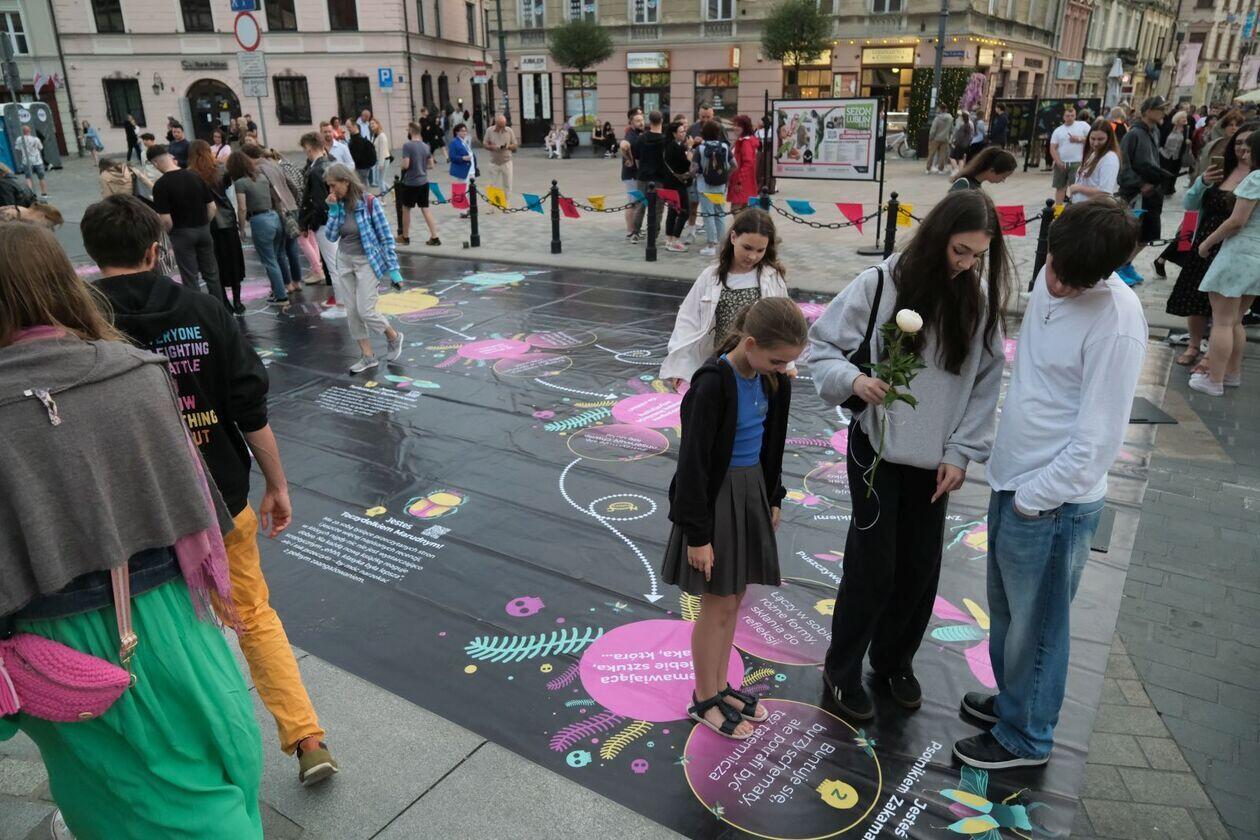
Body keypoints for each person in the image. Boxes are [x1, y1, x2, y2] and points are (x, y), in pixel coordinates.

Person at [0, 221, 264, 838]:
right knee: (224, 754)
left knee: (108, 787)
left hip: (50, 642)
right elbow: (191, 501)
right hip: (169, 612)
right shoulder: (136, 371)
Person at [83, 194, 339, 788]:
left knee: (162, 632)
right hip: (219, 499)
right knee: (252, 614)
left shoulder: (79, 324)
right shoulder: (203, 309)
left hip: (133, 511)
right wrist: (277, 484)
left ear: (94, 256)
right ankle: (306, 737)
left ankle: (191, 757)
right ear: (156, 250)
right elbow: (250, 407)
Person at [954, 197, 1146, 770]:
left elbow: (1098, 441)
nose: (1056, 285)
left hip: (1052, 502)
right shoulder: (1054, 265)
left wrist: (1035, 500)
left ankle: (1027, 736)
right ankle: (1015, 703)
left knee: (1038, 628)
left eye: (1073, 282)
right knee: (1009, 615)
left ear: (1105, 274)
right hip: (1013, 478)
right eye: (1055, 269)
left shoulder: (1117, 322)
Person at [808, 189, 1009, 720]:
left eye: (977, 255)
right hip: (877, 446)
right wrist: (854, 380)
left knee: (920, 568)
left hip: (936, 461)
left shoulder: (977, 301)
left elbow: (986, 383)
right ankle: (842, 668)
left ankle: (894, 661)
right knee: (873, 564)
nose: (965, 264)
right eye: (959, 250)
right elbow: (822, 347)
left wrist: (962, 452)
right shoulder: (880, 282)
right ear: (938, 236)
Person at [662, 297, 808, 740]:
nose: (784, 368)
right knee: (717, 602)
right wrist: (698, 535)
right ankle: (704, 697)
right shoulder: (712, 384)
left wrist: (773, 496)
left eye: (788, 361)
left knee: (735, 597)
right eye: (777, 359)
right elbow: (693, 464)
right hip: (715, 501)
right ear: (750, 344)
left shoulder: (773, 381)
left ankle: (721, 686)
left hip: (750, 493)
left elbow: (773, 444)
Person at [661, 208, 790, 387]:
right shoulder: (710, 276)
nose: (752, 256)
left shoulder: (772, 278)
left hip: (759, 368)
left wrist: (787, 364)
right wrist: (681, 367)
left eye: (760, 250)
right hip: (720, 364)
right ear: (733, 237)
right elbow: (688, 320)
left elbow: (784, 324)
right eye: (747, 247)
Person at [1166, 122, 1254, 368]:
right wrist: (1202, 182)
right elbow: (1190, 204)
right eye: (1238, 142)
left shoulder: (1256, 177)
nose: (1242, 148)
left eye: (1248, 144)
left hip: (1233, 246)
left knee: (1224, 309)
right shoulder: (1221, 170)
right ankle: (1194, 345)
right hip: (1205, 241)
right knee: (1194, 297)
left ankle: (1211, 357)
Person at [1190, 129, 1260, 396]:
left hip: (1238, 254)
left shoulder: (1255, 178)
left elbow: (1236, 221)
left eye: (1249, 150)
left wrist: (1207, 243)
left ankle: (1214, 379)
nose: (1244, 154)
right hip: (1256, 257)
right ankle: (1232, 373)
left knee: (1221, 321)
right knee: (1236, 321)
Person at [323, 165, 404, 373]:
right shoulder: (337, 204)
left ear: (346, 181)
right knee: (352, 311)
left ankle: (393, 336)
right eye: (328, 186)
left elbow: (386, 237)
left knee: (366, 310)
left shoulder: (369, 202)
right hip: (344, 260)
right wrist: (333, 211)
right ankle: (368, 357)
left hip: (367, 261)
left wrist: (394, 270)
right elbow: (330, 236)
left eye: (333, 185)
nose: (331, 190)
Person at [149, 143, 224, 304]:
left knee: (190, 278)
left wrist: (169, 233)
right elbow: (212, 207)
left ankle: (197, 312)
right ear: (170, 157)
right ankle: (219, 309)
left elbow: (166, 220)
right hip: (203, 230)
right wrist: (204, 224)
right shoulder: (194, 176)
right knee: (212, 274)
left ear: (155, 163)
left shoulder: (161, 185)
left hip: (181, 234)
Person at [187, 140, 246, 313]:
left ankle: (224, 302)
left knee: (214, 264)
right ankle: (237, 301)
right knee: (234, 261)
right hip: (227, 220)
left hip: (207, 222)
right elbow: (227, 188)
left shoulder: (191, 174)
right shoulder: (221, 170)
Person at [1118, 96, 1169, 286]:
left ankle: (1126, 264)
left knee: (1148, 234)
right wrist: (1139, 184)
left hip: (1152, 191)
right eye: (1160, 109)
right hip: (1135, 192)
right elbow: (1123, 166)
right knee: (1132, 234)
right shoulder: (1133, 134)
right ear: (1147, 111)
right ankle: (1119, 267)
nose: (1163, 112)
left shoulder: (1154, 132)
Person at [226, 150, 289, 305]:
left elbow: (242, 208)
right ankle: (281, 288)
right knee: (277, 256)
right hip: (274, 217)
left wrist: (241, 228)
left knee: (269, 261)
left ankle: (281, 296)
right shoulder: (261, 177)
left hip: (260, 221)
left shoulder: (240, 183)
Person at [243, 142, 305, 296]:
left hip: (279, 209)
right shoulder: (273, 163)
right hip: (291, 206)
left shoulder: (258, 169)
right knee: (292, 248)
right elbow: (291, 184)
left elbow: (266, 193)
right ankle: (297, 281)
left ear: (247, 157)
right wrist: (292, 201)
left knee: (280, 251)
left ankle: (287, 283)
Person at [299, 131, 339, 307]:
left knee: (333, 265)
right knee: (337, 262)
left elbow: (318, 202)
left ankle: (341, 302)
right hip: (334, 218)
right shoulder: (331, 163)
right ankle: (342, 299)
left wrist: (309, 222)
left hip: (324, 223)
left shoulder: (316, 170)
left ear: (309, 148)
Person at [399, 121, 441, 247]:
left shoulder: (407, 146)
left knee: (406, 209)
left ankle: (405, 237)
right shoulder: (425, 146)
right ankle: (435, 237)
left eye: (408, 130)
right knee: (425, 209)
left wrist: (402, 166)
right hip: (424, 181)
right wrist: (421, 167)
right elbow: (431, 165)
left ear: (411, 131)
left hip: (411, 182)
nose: (407, 132)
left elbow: (406, 164)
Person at [696, 120, 734, 257]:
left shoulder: (700, 148)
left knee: (708, 216)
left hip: (704, 187)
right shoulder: (724, 146)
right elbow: (734, 165)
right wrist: (725, 176)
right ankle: (722, 245)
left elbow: (694, 168)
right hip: (720, 187)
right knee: (720, 214)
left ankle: (711, 245)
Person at [630, 111, 669, 239]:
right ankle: (653, 233)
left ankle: (635, 232)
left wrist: (641, 169)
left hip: (643, 176)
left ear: (649, 121)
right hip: (659, 178)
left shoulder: (641, 138)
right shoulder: (665, 140)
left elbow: (636, 158)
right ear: (661, 120)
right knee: (658, 208)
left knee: (640, 204)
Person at [1067, 118, 1121, 204]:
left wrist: (1078, 188)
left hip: (1094, 209)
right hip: (1083, 207)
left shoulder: (1110, 158)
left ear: (1109, 139)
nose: (1096, 143)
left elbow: (1105, 193)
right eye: (1093, 139)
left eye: (1100, 139)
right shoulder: (1094, 153)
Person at [661, 120, 695, 253]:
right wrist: (690, 148)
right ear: (674, 134)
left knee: (673, 211)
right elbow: (687, 164)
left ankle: (669, 239)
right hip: (678, 184)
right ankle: (675, 240)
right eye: (681, 131)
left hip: (668, 183)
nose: (684, 133)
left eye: (684, 131)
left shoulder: (667, 145)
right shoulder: (676, 147)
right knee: (684, 211)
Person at [1050, 105, 1089, 205]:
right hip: (1062, 162)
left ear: (1075, 115)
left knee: (1075, 188)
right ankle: (1058, 210)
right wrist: (1058, 161)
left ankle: (1073, 208)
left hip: (1077, 162)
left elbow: (1091, 139)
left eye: (1072, 115)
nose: (1070, 118)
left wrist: (1078, 139)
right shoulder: (1058, 130)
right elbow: (1053, 148)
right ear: (1063, 117)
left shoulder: (1083, 126)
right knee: (1060, 187)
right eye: (1068, 116)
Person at [482, 113, 518, 213]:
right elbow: (484, 143)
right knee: (492, 185)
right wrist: (491, 147)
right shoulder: (489, 130)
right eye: (500, 126)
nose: (502, 128)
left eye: (503, 125)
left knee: (507, 185)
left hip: (507, 162)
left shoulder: (509, 130)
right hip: (493, 162)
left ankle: (506, 206)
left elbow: (515, 145)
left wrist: (507, 147)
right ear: (496, 123)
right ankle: (491, 207)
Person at [621, 108, 645, 242]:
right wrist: (629, 159)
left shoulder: (638, 134)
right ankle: (630, 232)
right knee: (632, 203)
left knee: (637, 203)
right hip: (631, 176)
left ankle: (636, 229)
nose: (641, 122)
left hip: (636, 175)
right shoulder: (631, 135)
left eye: (642, 119)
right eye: (638, 120)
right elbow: (624, 145)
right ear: (631, 122)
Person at [727, 115, 760, 212]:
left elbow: (748, 163)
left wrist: (739, 181)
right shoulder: (743, 140)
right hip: (743, 180)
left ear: (744, 127)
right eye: (734, 125)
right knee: (744, 210)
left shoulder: (745, 142)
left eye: (738, 125)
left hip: (741, 181)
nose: (735, 128)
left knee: (736, 209)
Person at [949, 147, 1016, 192]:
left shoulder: (975, 185)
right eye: (1003, 177)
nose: (1003, 180)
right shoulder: (964, 184)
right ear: (992, 170)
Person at [1161, 110, 1191, 196]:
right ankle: (1162, 189)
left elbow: (1186, 141)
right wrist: (1160, 149)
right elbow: (1162, 137)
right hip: (1165, 154)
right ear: (1177, 119)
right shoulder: (1169, 126)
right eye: (1183, 118)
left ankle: (1169, 190)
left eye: (1185, 117)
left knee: (1174, 173)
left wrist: (1188, 143)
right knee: (1164, 173)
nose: (1185, 119)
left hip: (1177, 156)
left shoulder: (1186, 129)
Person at [13, 125, 48, 199]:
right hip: (37, 161)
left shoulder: (19, 139)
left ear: (22, 131)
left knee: (28, 178)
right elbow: (40, 148)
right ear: (29, 131)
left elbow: (17, 149)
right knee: (41, 177)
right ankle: (44, 193)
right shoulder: (36, 139)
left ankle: (31, 195)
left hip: (26, 161)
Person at [346, 120, 378, 188]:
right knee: (362, 185)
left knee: (362, 186)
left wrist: (366, 166)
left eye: (349, 127)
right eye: (347, 127)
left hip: (361, 168)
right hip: (361, 167)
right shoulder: (354, 141)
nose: (348, 129)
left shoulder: (359, 141)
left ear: (355, 126)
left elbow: (372, 156)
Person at [927, 104, 954, 174]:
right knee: (943, 154)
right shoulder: (950, 118)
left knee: (931, 154)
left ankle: (928, 168)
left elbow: (933, 129)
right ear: (946, 109)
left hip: (936, 138)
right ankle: (940, 169)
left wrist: (930, 137)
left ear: (940, 109)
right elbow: (951, 129)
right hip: (945, 138)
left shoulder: (937, 118)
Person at [949, 112, 972, 176]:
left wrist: (955, 142)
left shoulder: (963, 126)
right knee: (960, 158)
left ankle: (956, 169)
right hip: (964, 144)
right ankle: (961, 172)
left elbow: (960, 136)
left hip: (959, 144)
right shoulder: (968, 125)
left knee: (951, 157)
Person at [370, 118, 391, 189]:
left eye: (373, 123)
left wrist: (381, 164)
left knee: (380, 181)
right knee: (379, 180)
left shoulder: (382, 136)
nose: (371, 125)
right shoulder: (375, 135)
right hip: (378, 160)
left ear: (378, 124)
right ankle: (392, 191)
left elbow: (383, 151)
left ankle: (384, 195)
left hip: (383, 160)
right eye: (370, 124)